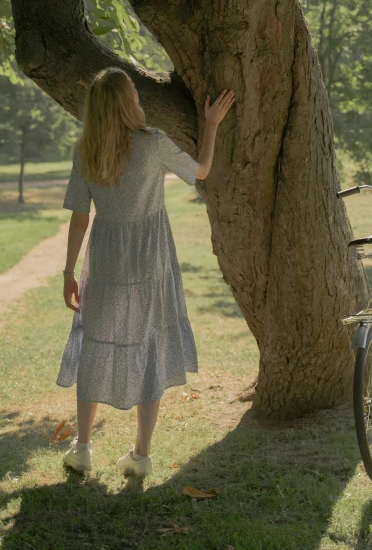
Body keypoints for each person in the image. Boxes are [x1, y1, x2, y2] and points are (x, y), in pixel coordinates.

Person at [56, 67, 235, 477]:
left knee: (96, 343)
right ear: (124, 103)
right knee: (149, 344)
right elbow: (202, 170)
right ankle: (141, 455)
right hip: (150, 259)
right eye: (135, 95)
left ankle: (82, 448)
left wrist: (68, 271)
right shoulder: (152, 144)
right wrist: (210, 125)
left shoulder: (85, 150)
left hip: (104, 260)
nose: (140, 101)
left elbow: (80, 218)